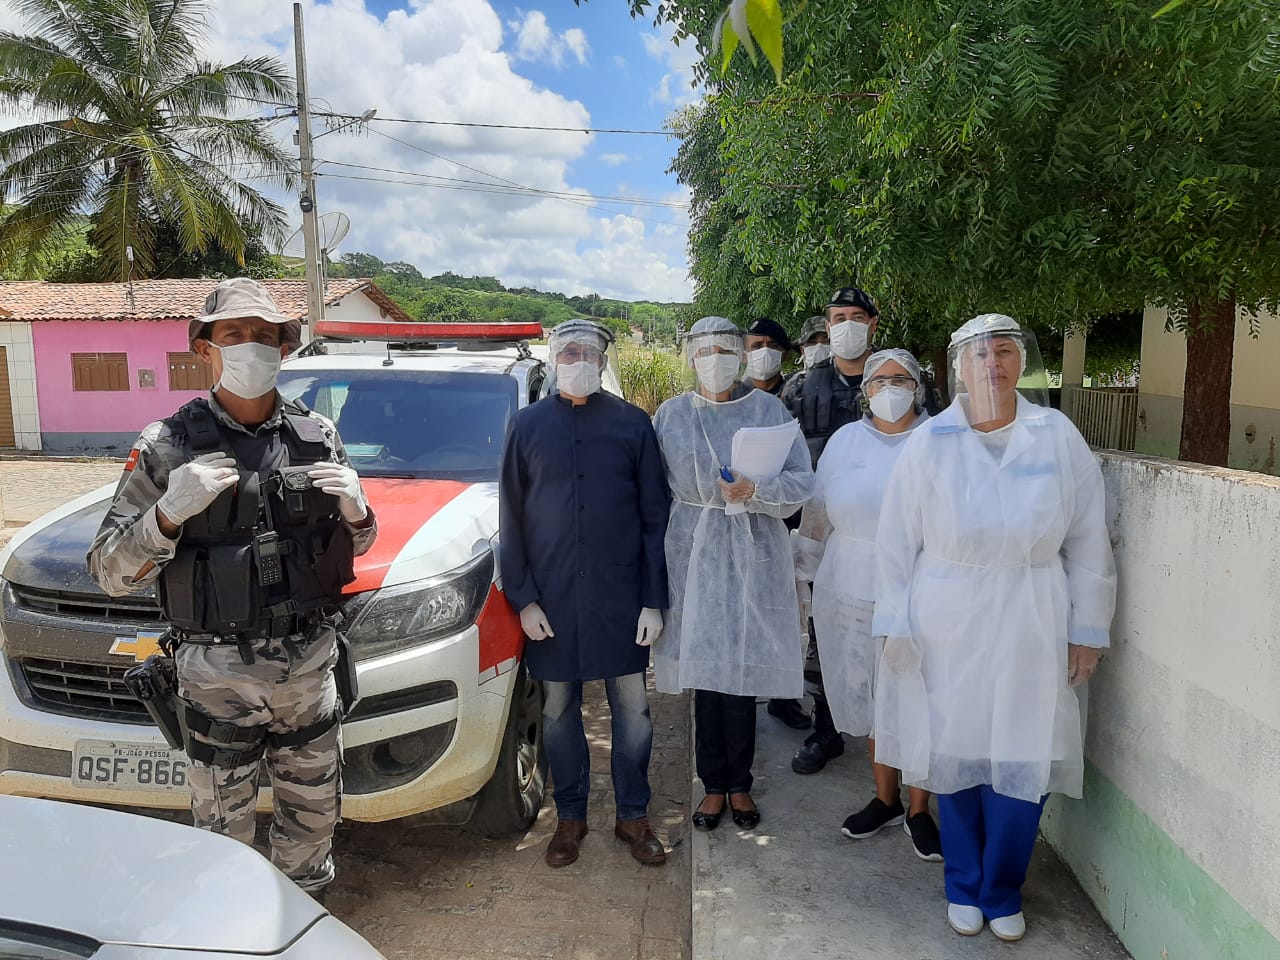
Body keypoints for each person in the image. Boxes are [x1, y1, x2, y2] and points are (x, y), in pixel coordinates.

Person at [87, 277, 377, 896]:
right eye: (235, 335)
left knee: (314, 834)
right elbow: (109, 571)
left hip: (308, 677)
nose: (253, 347)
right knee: (220, 847)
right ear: (204, 348)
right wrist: (167, 514)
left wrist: (358, 512)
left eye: (267, 337)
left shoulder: (317, 436)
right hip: (217, 681)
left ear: (285, 349)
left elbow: (359, 545)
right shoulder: (166, 445)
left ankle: (300, 932)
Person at [872, 314, 1116, 942]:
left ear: (1021, 362)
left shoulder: (1055, 435)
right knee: (954, 749)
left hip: (1034, 609)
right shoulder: (930, 442)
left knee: (1022, 750)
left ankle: (1002, 886)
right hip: (946, 613)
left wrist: (1087, 630)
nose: (992, 365)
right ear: (957, 367)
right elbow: (897, 543)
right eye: (979, 355)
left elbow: (1089, 540)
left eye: (1004, 352)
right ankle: (962, 881)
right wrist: (895, 624)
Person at [499, 319, 671, 868]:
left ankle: (634, 816)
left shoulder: (632, 425)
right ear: (553, 358)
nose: (577, 359)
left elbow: (654, 519)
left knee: (633, 709)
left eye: (588, 352)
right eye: (567, 351)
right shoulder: (526, 427)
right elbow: (512, 518)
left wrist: (653, 599)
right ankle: (570, 817)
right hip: (551, 602)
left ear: (602, 360)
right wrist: (523, 599)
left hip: (621, 597)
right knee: (557, 710)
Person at [653, 316, 813, 831]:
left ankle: (739, 784)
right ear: (691, 355)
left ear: (741, 355)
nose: (714, 358)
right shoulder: (671, 416)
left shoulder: (769, 410)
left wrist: (756, 493)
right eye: (704, 349)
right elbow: (654, 490)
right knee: (705, 675)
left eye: (725, 349)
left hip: (753, 549)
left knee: (742, 672)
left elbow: (801, 481)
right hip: (691, 553)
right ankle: (712, 785)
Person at [792, 348, 943, 862]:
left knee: (918, 696)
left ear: (919, 387)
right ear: (865, 392)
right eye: (879, 381)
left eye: (901, 379)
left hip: (920, 585)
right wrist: (803, 575)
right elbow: (817, 514)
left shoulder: (941, 441)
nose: (890, 389)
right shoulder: (845, 441)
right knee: (875, 696)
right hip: (849, 582)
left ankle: (921, 808)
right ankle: (886, 799)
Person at [779, 286, 882, 775]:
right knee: (825, 633)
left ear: (873, 324)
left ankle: (891, 734)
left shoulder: (903, 379)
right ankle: (827, 729)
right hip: (818, 530)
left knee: (889, 636)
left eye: (856, 316)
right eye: (837, 317)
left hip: (886, 537)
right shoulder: (801, 387)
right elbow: (779, 453)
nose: (845, 326)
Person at [744, 316, 811, 733]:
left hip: (787, 520)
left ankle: (784, 697)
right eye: (754, 344)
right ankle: (741, 691)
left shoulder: (798, 392)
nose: (762, 352)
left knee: (783, 614)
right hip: (734, 522)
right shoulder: (729, 397)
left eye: (770, 344)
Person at [743, 316, 793, 397]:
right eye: (756, 346)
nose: (765, 351)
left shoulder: (796, 395)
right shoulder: (735, 398)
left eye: (774, 345)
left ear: (786, 355)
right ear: (743, 356)